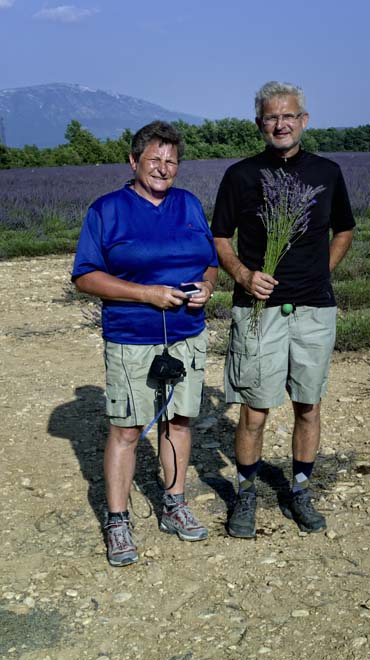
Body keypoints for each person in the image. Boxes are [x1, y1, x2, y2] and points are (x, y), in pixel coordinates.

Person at [211, 81, 355, 539]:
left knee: (308, 406)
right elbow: (219, 239)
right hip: (259, 309)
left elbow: (345, 230)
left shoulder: (327, 172)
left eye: (288, 115)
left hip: (314, 309)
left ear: (303, 121)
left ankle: (299, 488)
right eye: (272, 117)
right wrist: (243, 274)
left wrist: (321, 272)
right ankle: (246, 492)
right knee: (255, 409)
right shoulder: (240, 175)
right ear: (260, 124)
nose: (281, 124)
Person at [72, 121, 218, 566]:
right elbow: (84, 276)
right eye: (154, 159)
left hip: (187, 336)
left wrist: (208, 287)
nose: (163, 168)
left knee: (178, 422)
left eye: (171, 161)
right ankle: (118, 521)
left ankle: (174, 503)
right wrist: (146, 294)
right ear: (134, 161)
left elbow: (210, 261)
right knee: (127, 430)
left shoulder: (189, 205)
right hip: (132, 338)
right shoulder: (107, 210)